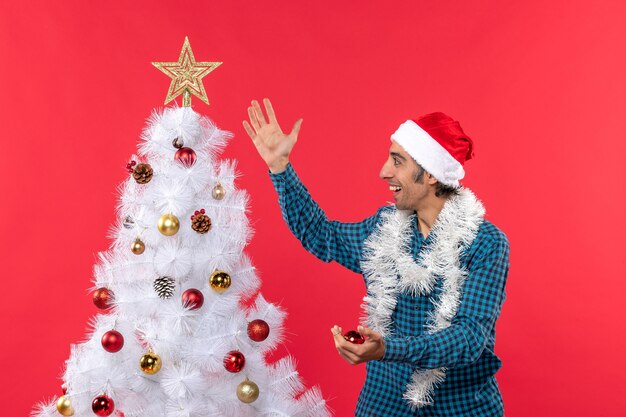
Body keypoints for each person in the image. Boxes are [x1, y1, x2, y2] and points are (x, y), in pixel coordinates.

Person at [243, 99, 510, 417]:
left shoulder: (485, 243)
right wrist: (280, 168)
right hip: (384, 405)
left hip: (462, 408)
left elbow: (468, 338)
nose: (384, 171)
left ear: (431, 175)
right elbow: (322, 235)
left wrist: (387, 349)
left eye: (397, 161)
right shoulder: (382, 230)